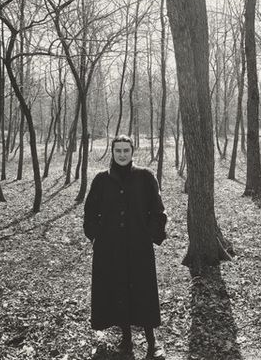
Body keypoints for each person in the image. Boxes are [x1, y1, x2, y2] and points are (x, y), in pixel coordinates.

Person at [83, 135, 167, 359]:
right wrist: (95, 236)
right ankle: (126, 339)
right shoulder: (101, 180)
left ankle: (152, 342)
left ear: (132, 152)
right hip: (110, 248)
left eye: (126, 150)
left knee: (143, 291)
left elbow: (158, 210)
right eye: (118, 150)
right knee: (118, 289)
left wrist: (150, 235)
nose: (122, 154)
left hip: (139, 247)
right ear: (112, 152)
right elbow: (90, 212)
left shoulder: (145, 177)